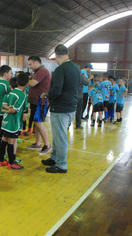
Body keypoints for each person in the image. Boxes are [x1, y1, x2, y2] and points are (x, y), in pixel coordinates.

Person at [40, 44, 79, 173]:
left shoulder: (60, 69)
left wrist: (46, 94)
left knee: (60, 137)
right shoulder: (76, 68)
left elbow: (56, 90)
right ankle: (55, 158)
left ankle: (61, 164)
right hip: (71, 107)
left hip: (61, 108)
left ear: (56, 55)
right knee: (58, 136)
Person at [0, 73, 29, 170]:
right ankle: (11, 163)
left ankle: (1, 160)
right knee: (11, 141)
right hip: (13, 122)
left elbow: (4, 106)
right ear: (27, 84)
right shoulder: (22, 95)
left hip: (5, 120)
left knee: (4, 139)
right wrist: (8, 110)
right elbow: (14, 110)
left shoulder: (10, 93)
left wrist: (5, 110)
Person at [26, 56, 52, 155]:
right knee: (36, 123)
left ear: (36, 62)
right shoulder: (38, 71)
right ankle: (38, 143)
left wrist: (22, 81)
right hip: (35, 102)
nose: (30, 66)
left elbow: (32, 83)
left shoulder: (42, 71)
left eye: (30, 64)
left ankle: (47, 145)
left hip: (41, 103)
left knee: (39, 123)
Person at [75, 64, 91, 129]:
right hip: (80, 96)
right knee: (79, 111)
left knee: (71, 111)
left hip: (72, 96)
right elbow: (87, 83)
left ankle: (67, 125)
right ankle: (78, 125)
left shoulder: (71, 76)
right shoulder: (81, 76)